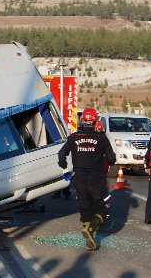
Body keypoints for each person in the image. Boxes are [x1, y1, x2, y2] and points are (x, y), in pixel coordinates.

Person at [58, 108, 116, 251]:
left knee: (85, 208)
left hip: (79, 179)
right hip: (96, 178)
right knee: (101, 209)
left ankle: (89, 238)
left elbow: (61, 154)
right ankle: (90, 231)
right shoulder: (101, 138)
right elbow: (112, 158)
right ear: (95, 121)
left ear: (82, 121)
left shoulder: (73, 137)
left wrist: (64, 168)